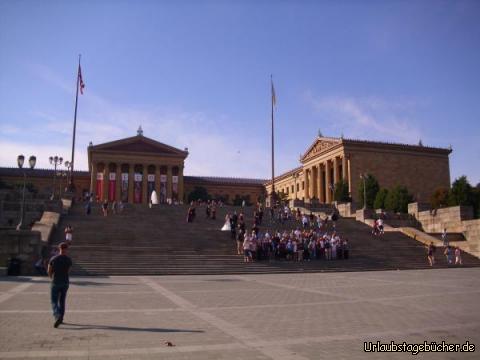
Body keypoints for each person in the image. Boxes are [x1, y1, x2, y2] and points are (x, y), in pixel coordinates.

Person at [48, 242, 72, 328]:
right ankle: (61, 318)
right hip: (65, 282)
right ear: (67, 249)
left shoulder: (53, 259)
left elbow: (49, 271)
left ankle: (57, 315)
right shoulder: (69, 260)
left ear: (59, 248)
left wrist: (51, 277)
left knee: (54, 300)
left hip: (55, 281)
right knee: (62, 301)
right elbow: (68, 272)